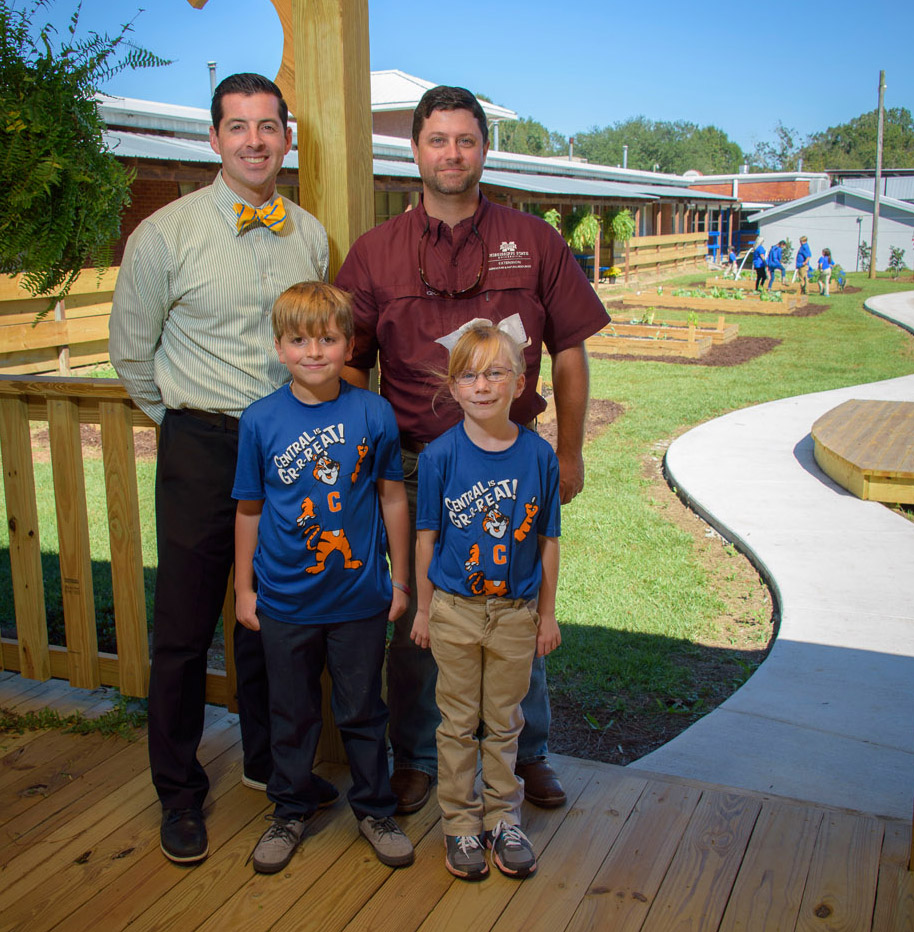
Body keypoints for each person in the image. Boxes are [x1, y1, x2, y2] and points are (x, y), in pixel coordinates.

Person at [334, 85, 608, 816]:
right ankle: (421, 755)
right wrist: (362, 463)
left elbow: (572, 353)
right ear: (415, 149)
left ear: (483, 149)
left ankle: (527, 754)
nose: (451, 153)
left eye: (465, 140)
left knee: (518, 603)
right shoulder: (375, 253)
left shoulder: (536, 240)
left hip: (513, 462)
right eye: (437, 140)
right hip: (418, 463)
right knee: (424, 610)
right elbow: (350, 364)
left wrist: (570, 455)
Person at [109, 73, 330, 864]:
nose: (254, 141)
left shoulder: (309, 234)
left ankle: (272, 764)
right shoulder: (164, 235)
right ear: (214, 139)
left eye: (267, 126)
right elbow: (132, 356)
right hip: (200, 443)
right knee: (183, 625)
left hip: (288, 447)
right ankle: (178, 791)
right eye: (237, 127)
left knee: (273, 615)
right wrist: (185, 424)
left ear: (286, 137)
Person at [233, 281, 414, 874]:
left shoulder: (372, 412)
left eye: (328, 339)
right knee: (290, 711)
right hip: (285, 601)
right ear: (279, 347)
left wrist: (402, 582)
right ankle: (290, 808)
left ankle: (374, 808)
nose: (314, 351)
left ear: (349, 343)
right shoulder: (260, 421)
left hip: (360, 597)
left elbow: (391, 497)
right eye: (299, 340)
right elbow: (250, 509)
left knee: (364, 709)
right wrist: (244, 590)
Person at [411, 324, 561, 881]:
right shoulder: (439, 457)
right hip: (454, 609)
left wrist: (546, 615)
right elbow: (426, 537)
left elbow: (548, 541)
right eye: (469, 374)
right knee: (456, 722)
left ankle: (503, 818)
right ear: (452, 387)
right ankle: (460, 825)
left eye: (496, 372)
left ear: (519, 382)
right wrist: (425, 610)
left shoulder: (537, 457)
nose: (482, 385)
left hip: (516, 616)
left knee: (503, 723)